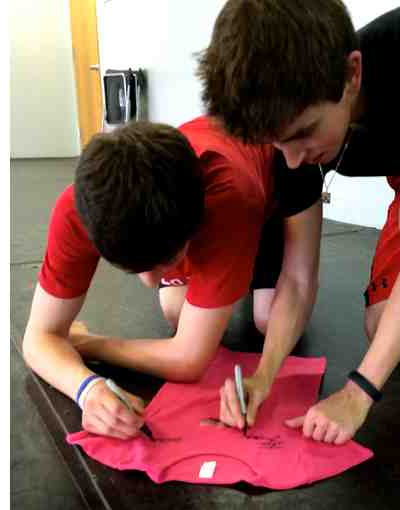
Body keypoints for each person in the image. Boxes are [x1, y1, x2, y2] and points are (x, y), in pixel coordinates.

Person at [198, 0, 400, 443]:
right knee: (383, 324)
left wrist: (357, 393)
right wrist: (264, 376)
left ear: (352, 75)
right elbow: (297, 279)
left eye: (304, 133)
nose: (294, 159)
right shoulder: (288, 134)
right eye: (279, 143)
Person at [22, 117, 322, 440]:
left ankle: (241, 263)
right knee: (176, 311)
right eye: (133, 268)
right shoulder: (79, 209)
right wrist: (87, 389)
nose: (149, 282)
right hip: (211, 204)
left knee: (266, 318)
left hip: (266, 198)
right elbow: (38, 339)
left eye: (166, 260)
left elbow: (188, 361)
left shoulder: (230, 200)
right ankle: (216, 267)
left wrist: (88, 344)